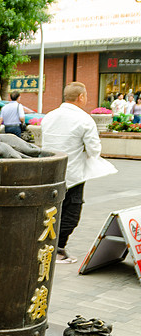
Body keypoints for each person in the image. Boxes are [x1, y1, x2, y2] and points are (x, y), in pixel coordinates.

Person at [41, 82, 106, 264]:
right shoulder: (84, 120)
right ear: (81, 97)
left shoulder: (49, 116)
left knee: (51, 212)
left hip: (50, 173)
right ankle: (58, 249)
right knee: (72, 213)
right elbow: (94, 150)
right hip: (73, 175)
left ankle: (47, 247)